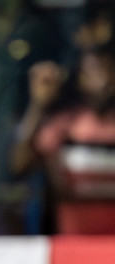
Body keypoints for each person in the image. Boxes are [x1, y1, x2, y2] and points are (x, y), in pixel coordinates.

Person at [11, 44, 115, 234]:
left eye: (110, 70)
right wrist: (38, 105)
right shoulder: (63, 126)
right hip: (73, 245)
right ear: (80, 78)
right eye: (95, 70)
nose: (105, 80)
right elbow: (20, 164)